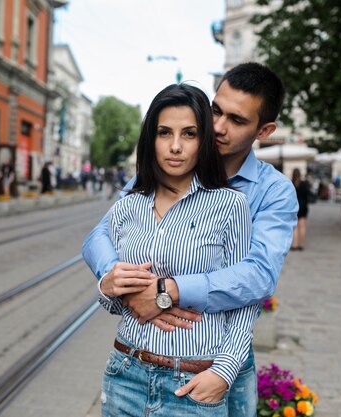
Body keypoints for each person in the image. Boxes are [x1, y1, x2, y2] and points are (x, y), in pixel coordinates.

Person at [82, 62, 298, 415]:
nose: (218, 126)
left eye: (237, 120)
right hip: (133, 364)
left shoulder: (271, 192)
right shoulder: (169, 168)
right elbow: (101, 233)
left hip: (217, 360)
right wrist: (121, 281)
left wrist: (168, 292)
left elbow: (257, 277)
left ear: (265, 129)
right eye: (215, 110)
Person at [290, 168, 309, 250]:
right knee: (302, 227)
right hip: (303, 207)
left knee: (294, 227)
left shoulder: (290, 183)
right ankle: (300, 245)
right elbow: (307, 196)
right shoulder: (304, 184)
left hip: (293, 207)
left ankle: (294, 245)